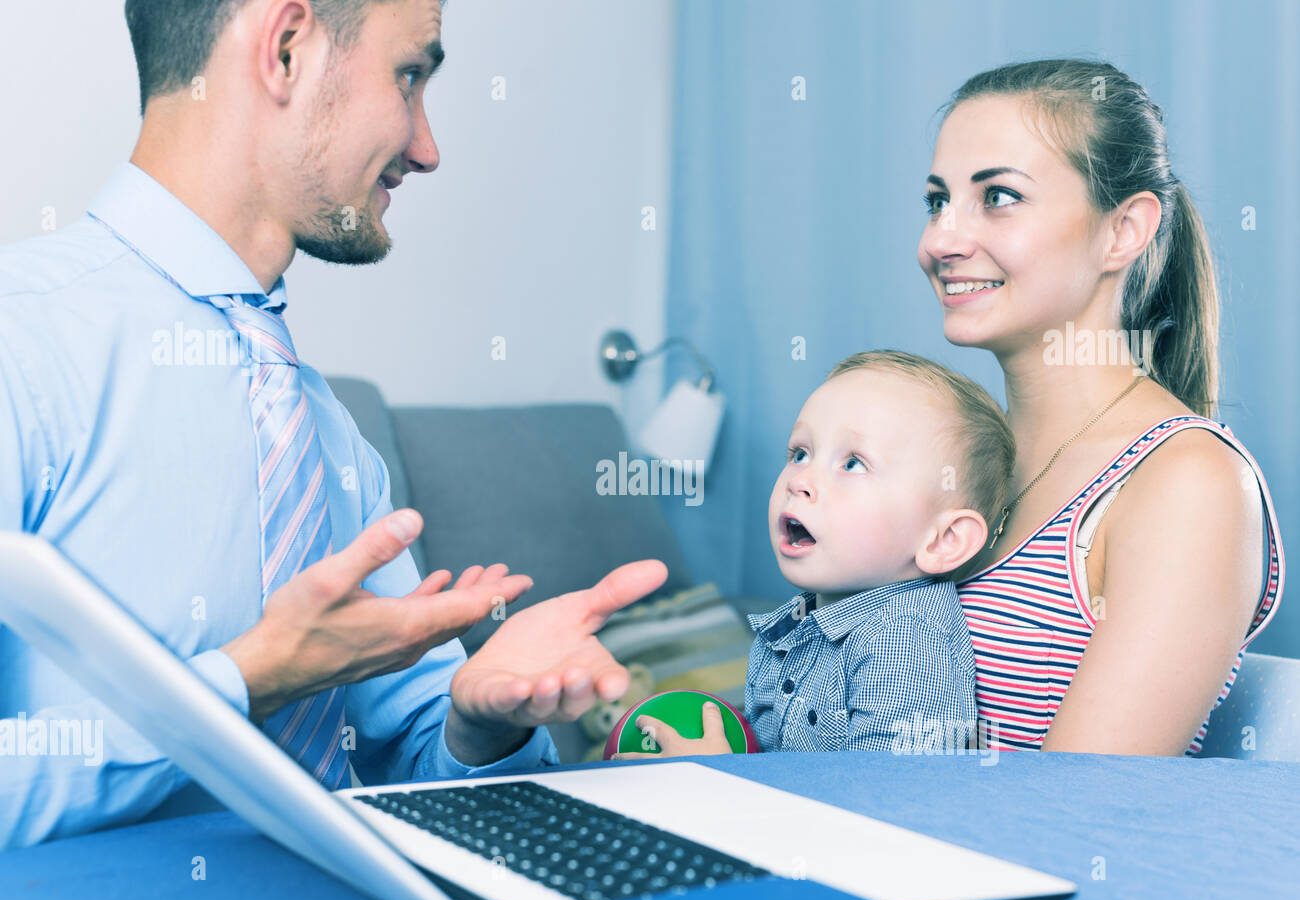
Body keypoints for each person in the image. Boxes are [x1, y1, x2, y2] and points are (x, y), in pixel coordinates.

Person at [0, 0, 667, 850]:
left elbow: (414, 769)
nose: (427, 148)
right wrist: (248, 680)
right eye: (410, 74)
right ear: (286, 50)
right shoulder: (18, 346)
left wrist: (479, 723)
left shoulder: (321, 432)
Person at [918, 59, 1285, 754]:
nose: (941, 240)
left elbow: (1075, 811)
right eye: (938, 201)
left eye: (997, 196)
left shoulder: (1188, 482)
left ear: (1123, 231)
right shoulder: (956, 461)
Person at [614, 350, 1015, 758]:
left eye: (853, 463)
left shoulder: (903, 641)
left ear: (943, 540)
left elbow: (883, 804)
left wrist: (720, 778)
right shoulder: (793, 627)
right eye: (800, 453)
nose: (800, 480)